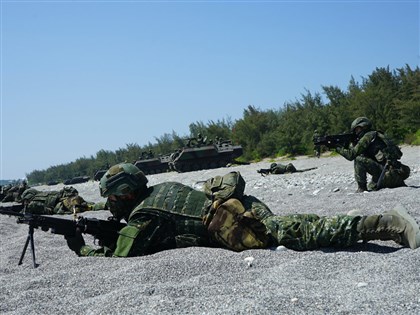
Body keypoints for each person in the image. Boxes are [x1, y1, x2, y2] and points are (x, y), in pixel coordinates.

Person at [64, 162, 420, 257]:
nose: (109, 204)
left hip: (236, 225)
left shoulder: (145, 214)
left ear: (123, 195)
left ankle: (389, 224)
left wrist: (82, 247)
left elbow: (127, 251)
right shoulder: (159, 190)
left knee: (305, 233)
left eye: (111, 199)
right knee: (298, 223)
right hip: (242, 207)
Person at [335, 117, 410, 192]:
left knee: (358, 159)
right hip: (398, 176)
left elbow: (351, 155)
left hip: (385, 176)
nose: (356, 132)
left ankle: (361, 188)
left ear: (364, 126)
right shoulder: (378, 135)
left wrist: (336, 148)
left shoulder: (368, 136)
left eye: (357, 129)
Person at [20, 186, 104, 215]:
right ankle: (105, 205)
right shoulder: (43, 194)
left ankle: (104, 206)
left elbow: (48, 211)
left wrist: (29, 208)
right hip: (67, 200)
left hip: (63, 204)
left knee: (85, 207)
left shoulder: (35, 201)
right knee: (89, 205)